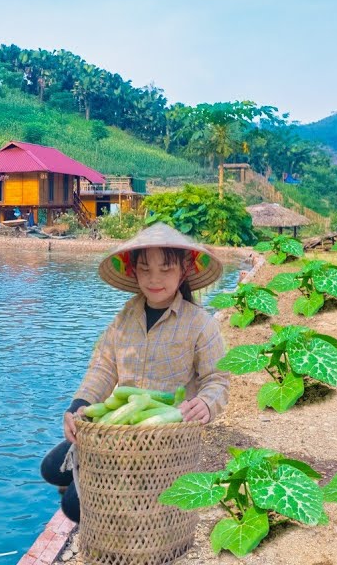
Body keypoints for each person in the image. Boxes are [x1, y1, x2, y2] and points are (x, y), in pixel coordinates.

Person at [40, 223, 229, 523]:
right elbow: (102, 367)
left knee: (74, 508)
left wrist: (206, 403)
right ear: (133, 271)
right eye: (145, 269)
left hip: (162, 436)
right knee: (50, 468)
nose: (154, 279)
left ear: (184, 270)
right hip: (120, 425)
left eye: (166, 269)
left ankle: (103, 479)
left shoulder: (200, 323)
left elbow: (217, 379)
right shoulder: (125, 317)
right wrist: (78, 407)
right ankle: (93, 470)